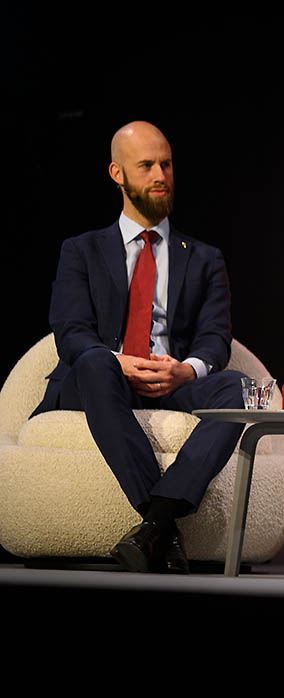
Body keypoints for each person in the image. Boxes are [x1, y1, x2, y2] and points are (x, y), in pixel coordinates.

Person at [32, 121, 245, 574]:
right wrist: (118, 361)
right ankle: (162, 524)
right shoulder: (81, 250)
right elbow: (70, 331)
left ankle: (154, 524)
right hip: (100, 379)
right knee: (92, 359)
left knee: (239, 388)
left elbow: (214, 339)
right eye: (146, 166)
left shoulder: (205, 258)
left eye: (166, 164)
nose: (160, 175)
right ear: (117, 174)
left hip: (169, 380)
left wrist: (186, 369)